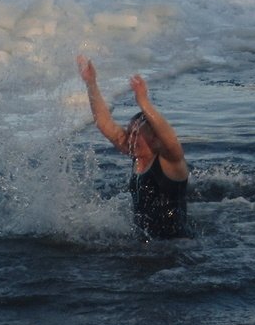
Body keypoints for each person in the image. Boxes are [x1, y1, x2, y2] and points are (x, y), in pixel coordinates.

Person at [77, 54, 190, 239]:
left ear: (154, 139)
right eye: (129, 133)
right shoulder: (136, 153)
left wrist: (143, 102)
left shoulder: (170, 161)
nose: (130, 138)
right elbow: (104, 123)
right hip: (145, 242)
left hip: (174, 246)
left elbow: (169, 137)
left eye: (137, 134)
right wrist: (91, 83)